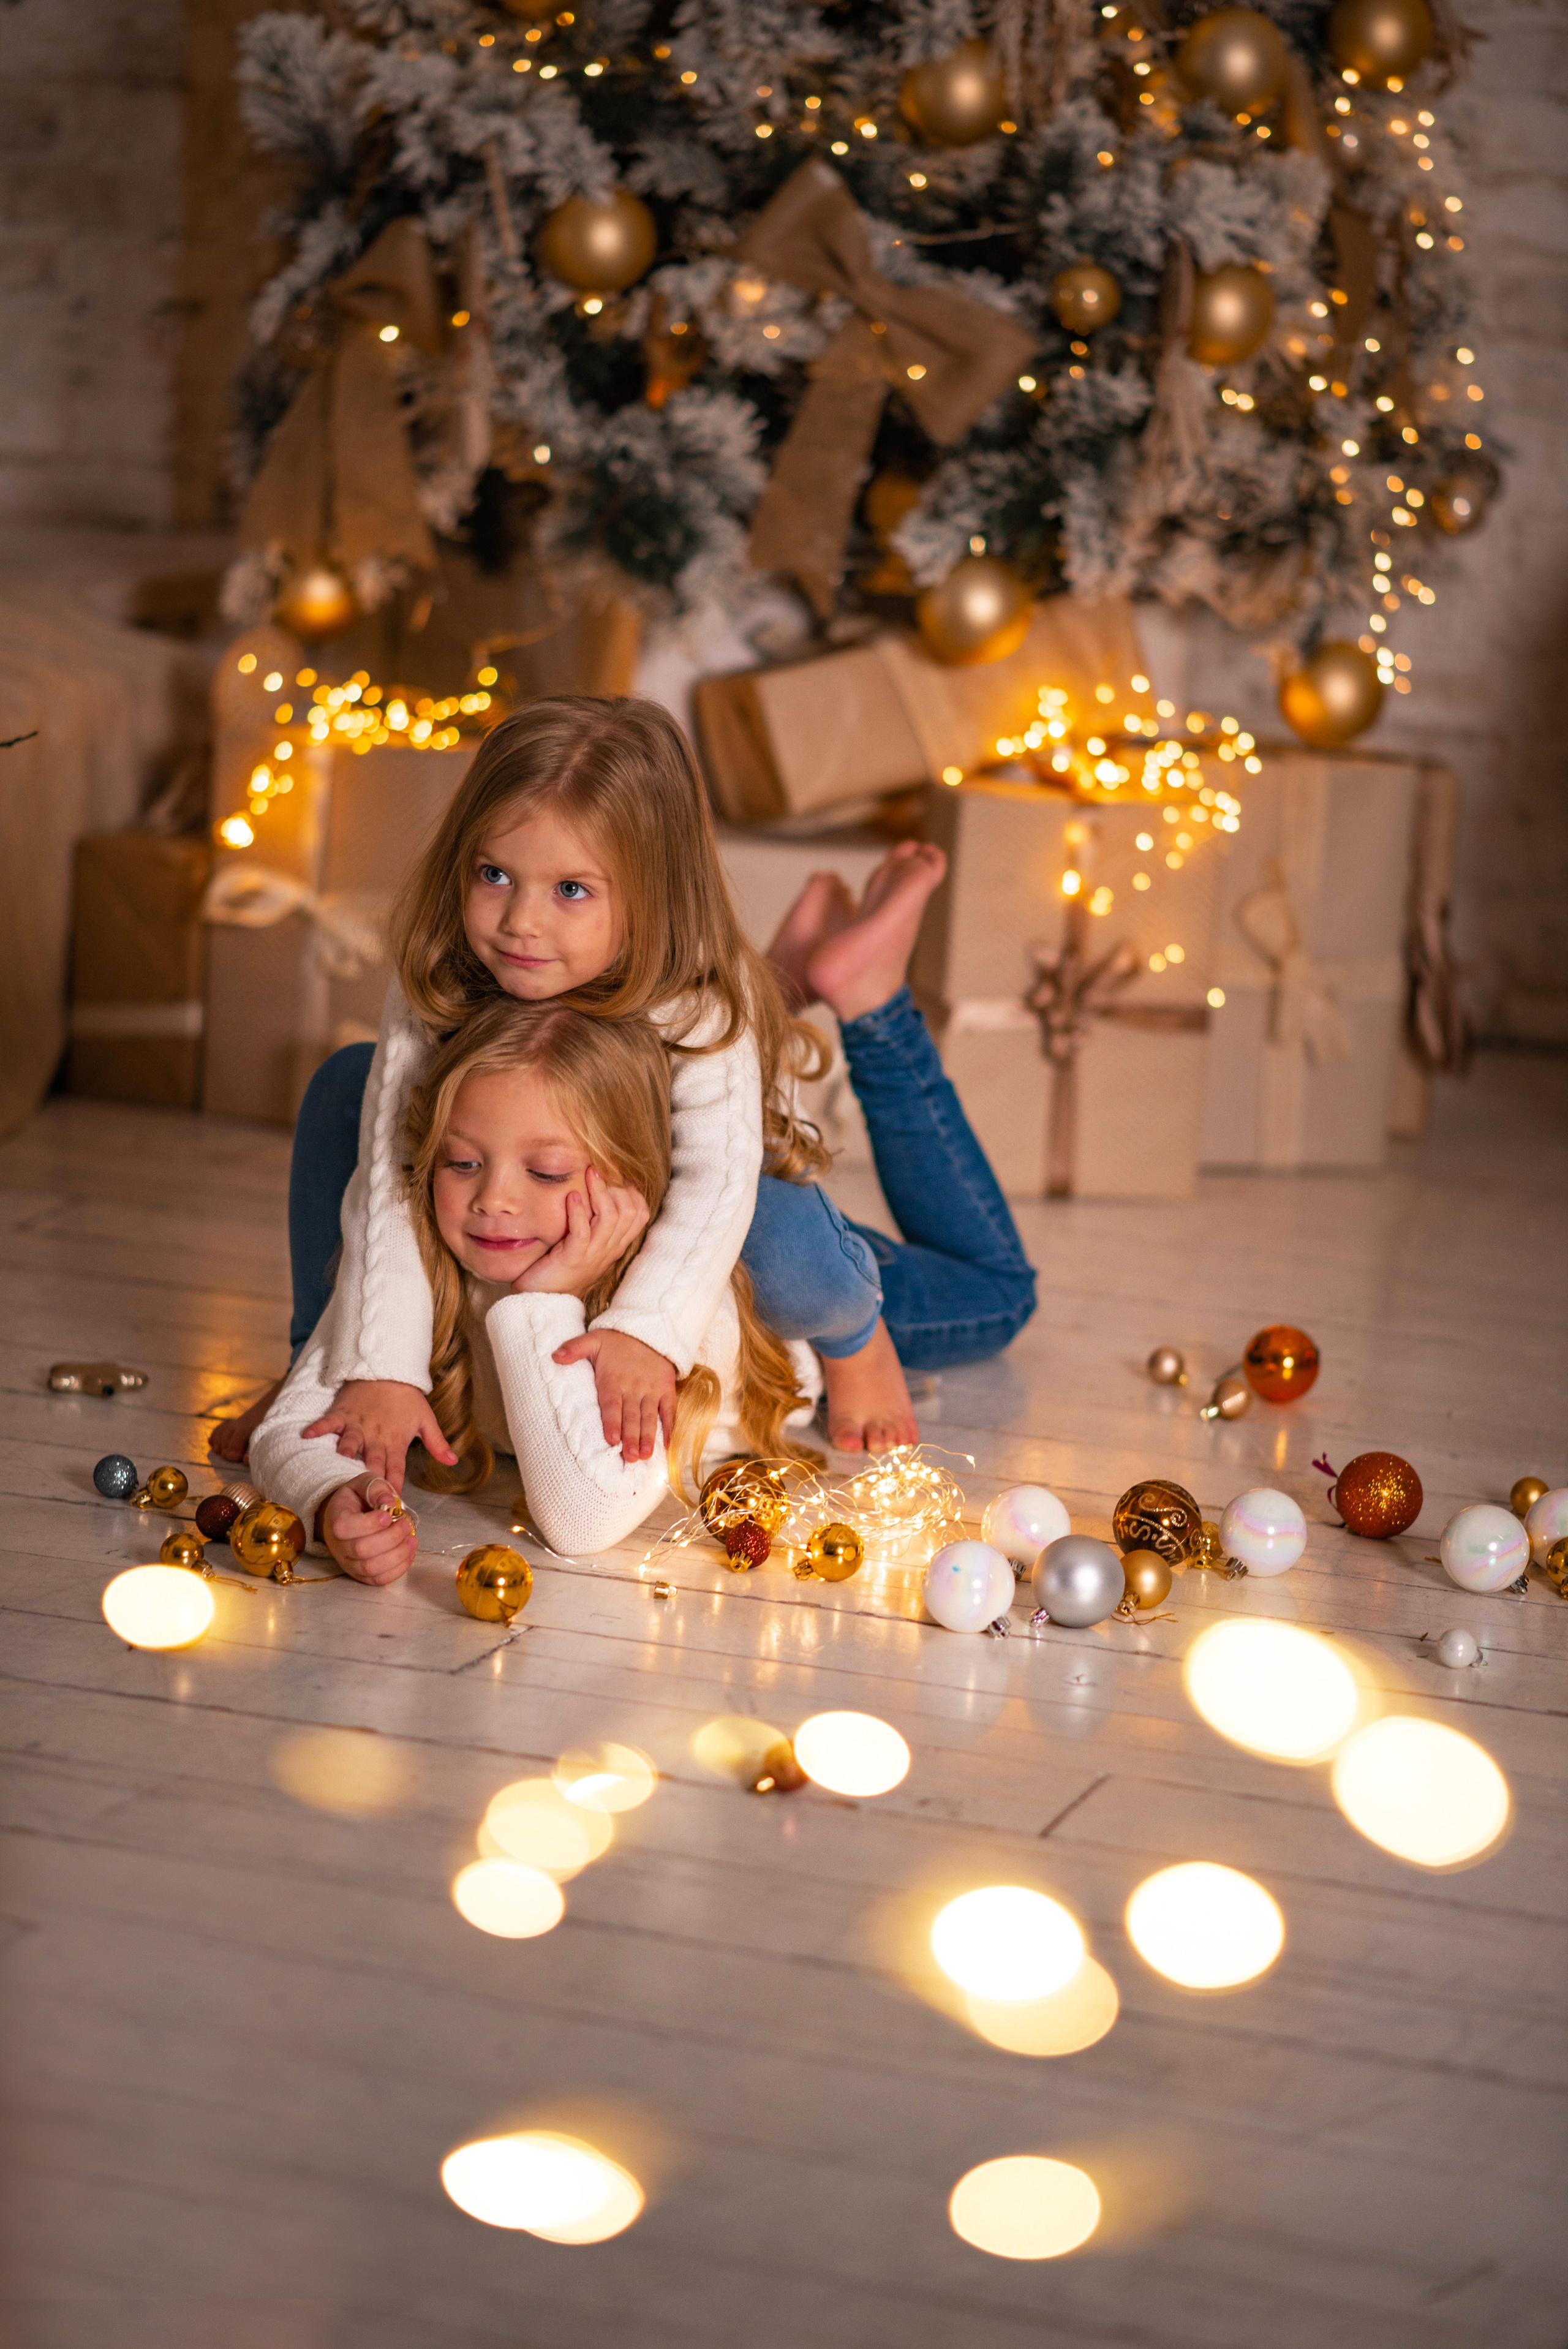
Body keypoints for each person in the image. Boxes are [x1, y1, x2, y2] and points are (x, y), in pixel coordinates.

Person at [213, 695, 931, 1479]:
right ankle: (315, 1363)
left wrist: (644, 1330)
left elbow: (713, 1191)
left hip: (713, 1262)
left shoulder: (695, 1004)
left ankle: (858, 1333)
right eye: (494, 874)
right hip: (519, 1219)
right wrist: (379, 1364)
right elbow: (388, 1178)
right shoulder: (441, 979)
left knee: (785, 1230)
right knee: (348, 1087)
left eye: (570, 890)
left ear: (650, 894)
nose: (520, 921)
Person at [248, 876, 1039, 1572]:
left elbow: (581, 1518)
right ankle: (781, 986)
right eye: (460, 1163)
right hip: (651, 1195)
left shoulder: (665, 1304)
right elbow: (299, 1429)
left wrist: (544, 1296)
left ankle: (871, 1008)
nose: (493, 1200)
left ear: (636, 1184)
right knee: (355, 1088)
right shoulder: (416, 1252)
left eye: (548, 1172)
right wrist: (327, 1496)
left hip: (777, 1306)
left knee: (993, 1295)